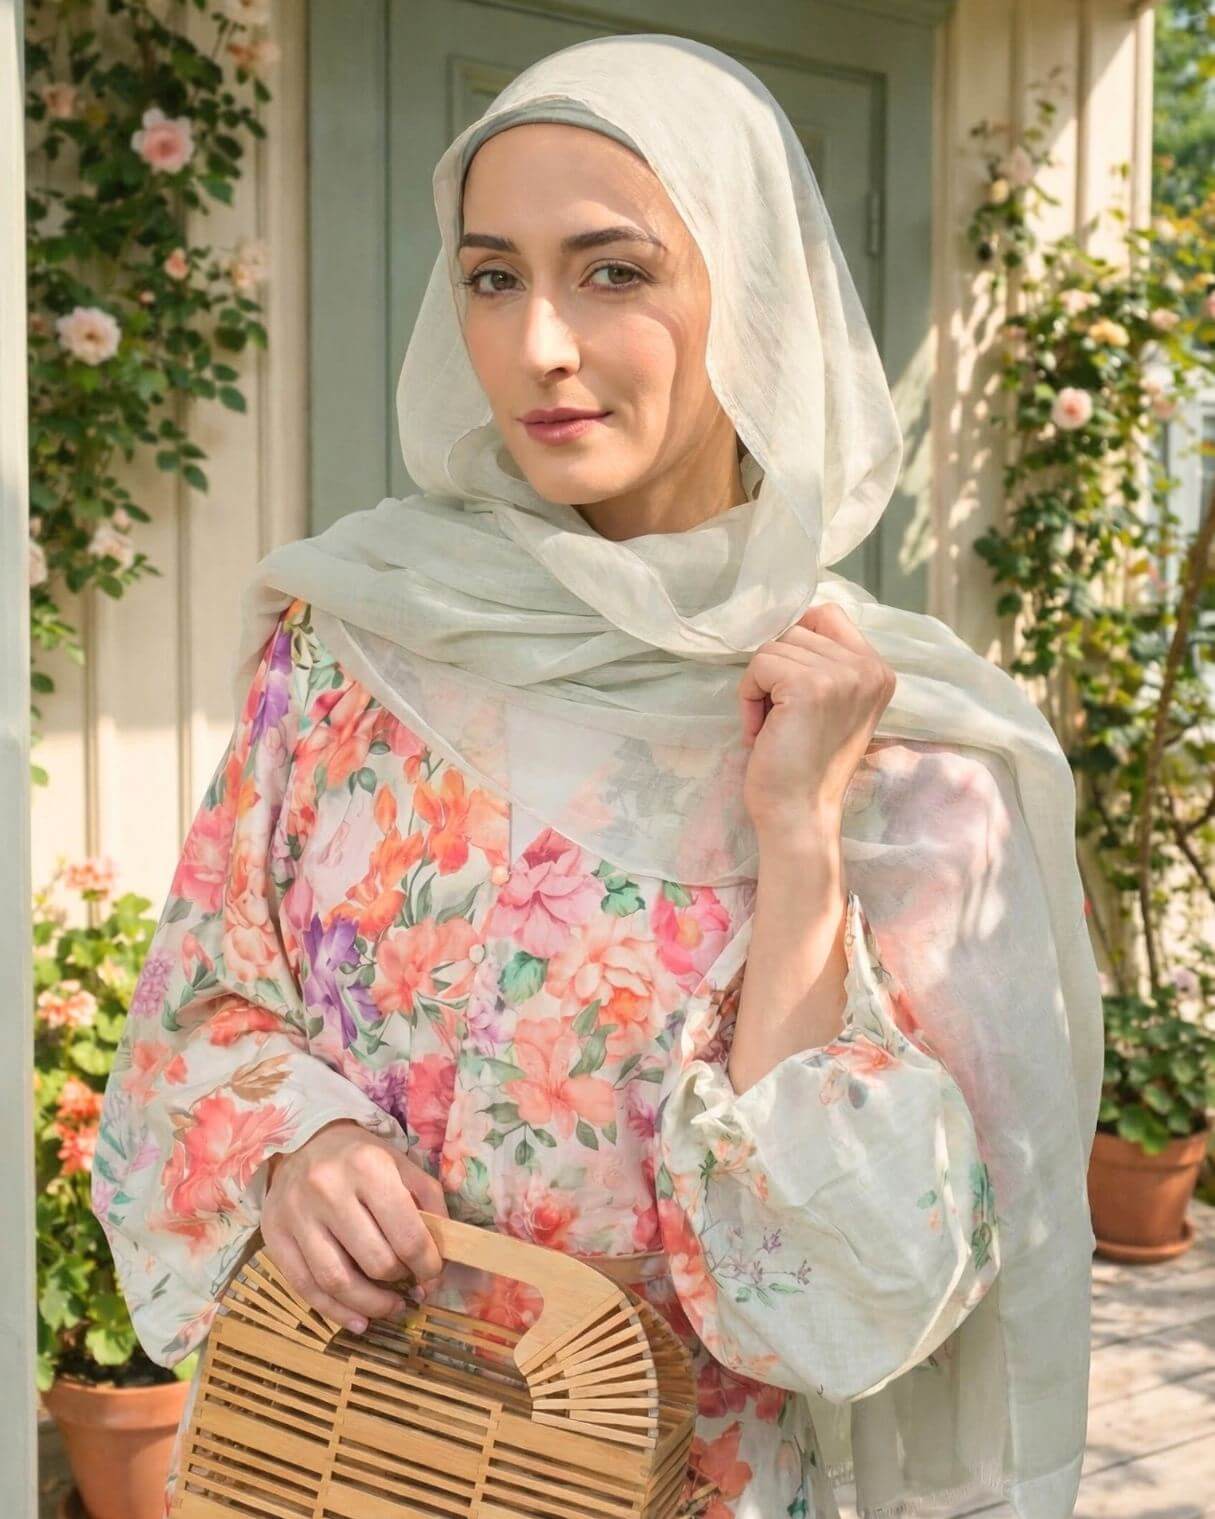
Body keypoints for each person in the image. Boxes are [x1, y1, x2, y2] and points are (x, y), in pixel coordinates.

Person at [92, 33, 1103, 1519]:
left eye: (613, 272)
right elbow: (201, 1010)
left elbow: (845, 1301)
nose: (540, 346)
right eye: (494, 276)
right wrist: (294, 1142)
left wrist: (802, 841)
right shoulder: (354, 646)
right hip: (339, 1471)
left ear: (746, 300)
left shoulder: (909, 759)